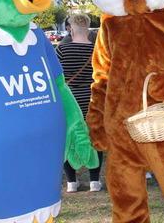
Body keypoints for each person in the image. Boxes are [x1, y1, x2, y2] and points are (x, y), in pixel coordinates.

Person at [56, 13, 103, 193]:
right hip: (92, 100)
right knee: (95, 139)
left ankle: (72, 181)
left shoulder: (62, 50)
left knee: (69, 138)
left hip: (70, 102)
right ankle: (94, 180)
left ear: (71, 30)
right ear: (88, 29)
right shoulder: (97, 51)